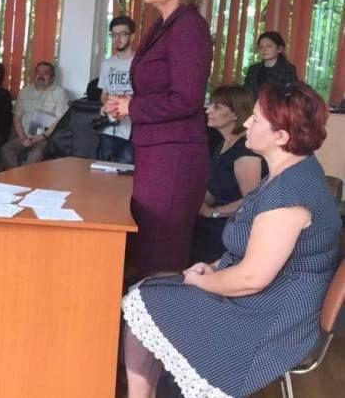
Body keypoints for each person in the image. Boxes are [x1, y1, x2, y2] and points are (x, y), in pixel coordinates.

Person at [121, 82, 341, 398]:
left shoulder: (290, 196)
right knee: (148, 291)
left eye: (256, 119)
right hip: (264, 299)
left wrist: (200, 281)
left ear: (281, 137)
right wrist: (212, 268)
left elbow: (252, 279)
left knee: (147, 298)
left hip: (273, 319)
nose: (247, 122)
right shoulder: (287, 173)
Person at [107, 0, 213, 277]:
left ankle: (157, 311)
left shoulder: (189, 27)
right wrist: (127, 104)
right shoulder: (161, 26)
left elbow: (187, 98)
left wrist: (133, 106)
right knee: (148, 247)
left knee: (162, 253)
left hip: (175, 157)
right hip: (155, 150)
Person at [190, 84, 264, 264]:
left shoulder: (245, 152)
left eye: (216, 107)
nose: (208, 110)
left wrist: (213, 212)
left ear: (236, 114)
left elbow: (252, 202)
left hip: (229, 232)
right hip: (213, 228)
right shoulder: (222, 144)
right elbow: (214, 188)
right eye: (210, 105)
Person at [0, 62, 69, 171]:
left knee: (36, 154)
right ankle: (17, 177)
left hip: (45, 137)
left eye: (46, 73)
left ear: (52, 77)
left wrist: (41, 137)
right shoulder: (24, 92)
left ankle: (23, 178)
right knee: (5, 150)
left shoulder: (59, 93)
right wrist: (23, 138)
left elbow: (60, 121)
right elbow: (17, 117)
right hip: (24, 135)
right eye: (38, 72)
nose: (41, 75)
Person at [97, 15, 135, 164]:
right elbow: (104, 94)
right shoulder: (107, 64)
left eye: (122, 34)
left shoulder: (139, 63)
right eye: (113, 35)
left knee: (125, 170)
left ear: (132, 37)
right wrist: (107, 106)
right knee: (103, 169)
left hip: (131, 129)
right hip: (109, 128)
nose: (117, 39)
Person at [244, 30, 298, 99]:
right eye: (261, 47)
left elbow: (291, 96)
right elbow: (245, 93)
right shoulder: (253, 69)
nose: (264, 50)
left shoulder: (287, 70)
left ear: (279, 49)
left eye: (269, 46)